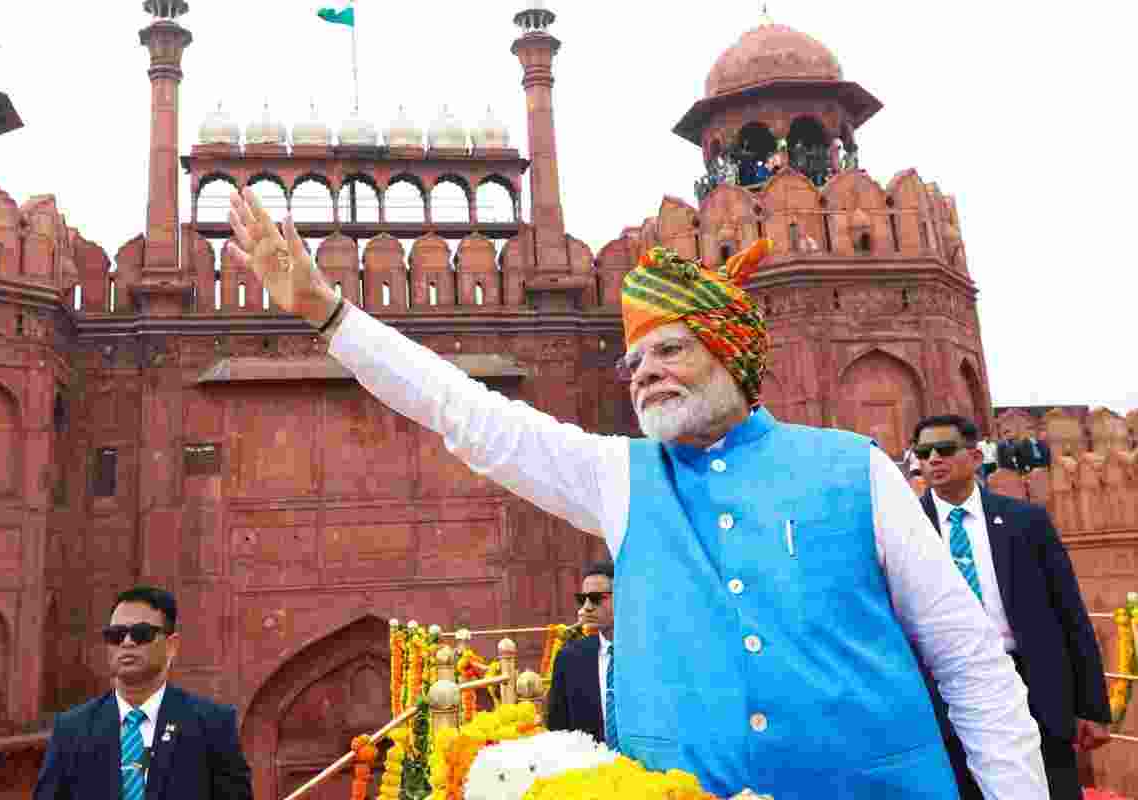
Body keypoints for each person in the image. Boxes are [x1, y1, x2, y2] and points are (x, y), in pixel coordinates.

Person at [222, 188, 1044, 798]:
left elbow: (970, 663)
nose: (646, 374)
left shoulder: (852, 470)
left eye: (672, 352)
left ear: (735, 357)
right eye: (635, 364)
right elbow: (466, 412)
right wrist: (327, 314)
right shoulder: (621, 481)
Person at [913, 415, 1111, 800]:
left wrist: (1092, 707)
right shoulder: (904, 530)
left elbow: (1069, 614)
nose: (933, 458)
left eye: (945, 449)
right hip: (944, 689)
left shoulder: (1026, 522)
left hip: (1030, 684)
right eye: (924, 452)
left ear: (974, 456)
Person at [34, 586, 253, 800]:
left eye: (141, 634)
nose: (127, 642)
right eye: (116, 635)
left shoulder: (212, 725)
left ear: (171, 645)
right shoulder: (72, 729)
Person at [544, 561, 614, 743]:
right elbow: (558, 732)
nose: (587, 607)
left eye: (597, 598)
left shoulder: (650, 656)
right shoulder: (569, 659)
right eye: (583, 600)